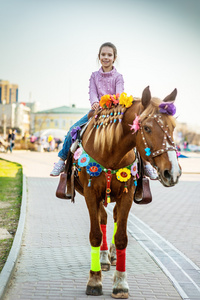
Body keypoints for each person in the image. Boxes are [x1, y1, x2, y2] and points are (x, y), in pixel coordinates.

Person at [50, 42, 157, 180]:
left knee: (133, 133)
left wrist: (112, 101)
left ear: (114, 57)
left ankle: (146, 164)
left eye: (109, 55)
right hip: (96, 111)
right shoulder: (94, 76)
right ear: (99, 56)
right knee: (73, 130)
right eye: (103, 54)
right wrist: (95, 103)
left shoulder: (118, 77)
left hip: (115, 112)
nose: (106, 57)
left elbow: (119, 94)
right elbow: (92, 92)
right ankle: (61, 160)